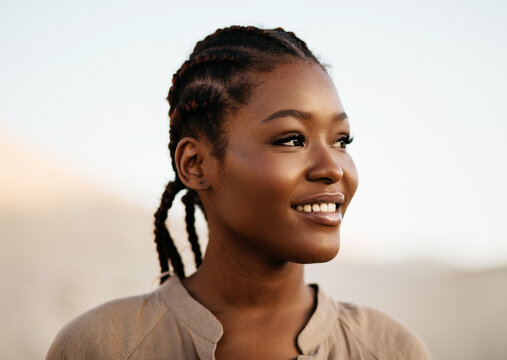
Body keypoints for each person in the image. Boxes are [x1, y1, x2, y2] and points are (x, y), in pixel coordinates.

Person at [46, 25, 431, 360]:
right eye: (292, 139)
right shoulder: (101, 346)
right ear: (196, 164)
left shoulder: (390, 349)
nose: (332, 167)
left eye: (341, 140)